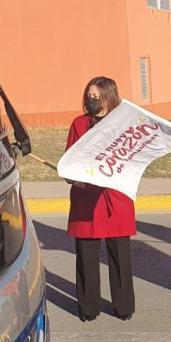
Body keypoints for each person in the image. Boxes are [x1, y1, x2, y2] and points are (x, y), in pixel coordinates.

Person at [66, 76, 136, 322]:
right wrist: (72, 177)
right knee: (86, 256)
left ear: (109, 97)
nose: (91, 100)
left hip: (115, 197)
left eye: (96, 96)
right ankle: (88, 308)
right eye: (89, 96)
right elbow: (69, 159)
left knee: (120, 256)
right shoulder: (79, 124)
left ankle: (124, 306)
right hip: (86, 198)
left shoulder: (124, 124)